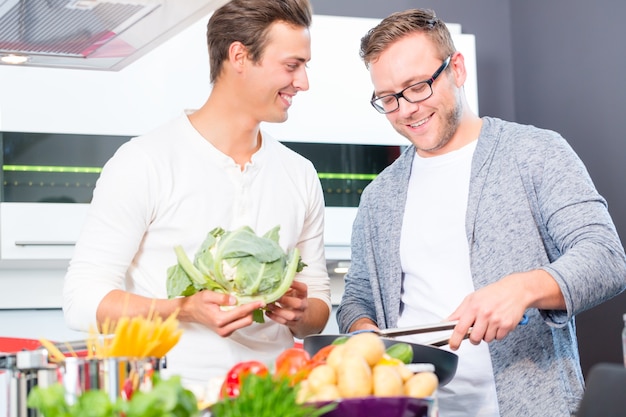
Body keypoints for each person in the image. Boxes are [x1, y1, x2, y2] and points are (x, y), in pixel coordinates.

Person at [336, 8, 626, 417]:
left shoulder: (536, 152)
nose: (406, 109)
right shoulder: (379, 195)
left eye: (417, 87)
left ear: (456, 68)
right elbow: (357, 298)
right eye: (388, 98)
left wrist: (522, 288)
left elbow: (607, 257)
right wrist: (365, 338)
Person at [63, 0, 331, 387]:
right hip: (172, 398)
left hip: (274, 400)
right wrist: (183, 309)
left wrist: (299, 312)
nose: (303, 82)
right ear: (239, 56)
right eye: (292, 66)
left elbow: (318, 309)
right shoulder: (145, 161)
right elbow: (80, 301)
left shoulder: (300, 173)